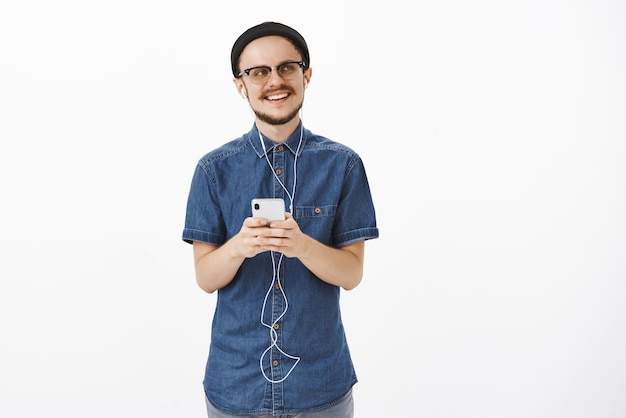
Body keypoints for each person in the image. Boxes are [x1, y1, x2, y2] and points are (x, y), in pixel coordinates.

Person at [182, 21, 379, 417]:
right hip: (236, 387)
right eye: (259, 72)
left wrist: (302, 245)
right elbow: (205, 278)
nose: (275, 80)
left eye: (287, 67)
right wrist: (239, 246)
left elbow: (352, 274)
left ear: (306, 74)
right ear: (241, 85)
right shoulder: (212, 170)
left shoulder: (343, 165)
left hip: (320, 387)